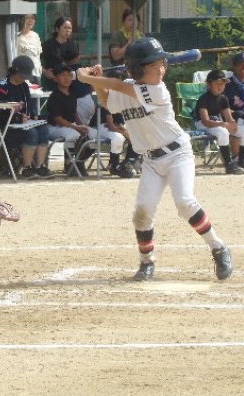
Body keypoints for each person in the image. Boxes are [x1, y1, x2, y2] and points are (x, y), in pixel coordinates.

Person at [77, 37, 233, 282]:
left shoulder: (157, 90)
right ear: (137, 70)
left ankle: (218, 247)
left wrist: (88, 79)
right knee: (142, 212)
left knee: (184, 202)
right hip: (151, 160)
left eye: (162, 64)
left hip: (177, 154)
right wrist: (97, 81)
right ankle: (146, 262)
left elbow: (118, 86)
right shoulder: (127, 87)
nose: (161, 70)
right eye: (154, 66)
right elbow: (109, 102)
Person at [0, 55, 52, 179]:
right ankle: (27, 167)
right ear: (14, 71)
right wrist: (17, 118)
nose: (24, 79)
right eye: (22, 75)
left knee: (43, 130)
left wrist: (33, 115)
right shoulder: (1, 87)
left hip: (23, 125)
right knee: (32, 133)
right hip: (6, 128)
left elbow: (29, 107)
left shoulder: (24, 86)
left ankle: (40, 166)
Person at [47, 63, 97, 177]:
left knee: (94, 135)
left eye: (69, 75)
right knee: (73, 134)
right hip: (55, 127)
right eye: (62, 75)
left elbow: (74, 114)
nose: (67, 78)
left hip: (71, 125)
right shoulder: (54, 96)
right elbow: (57, 119)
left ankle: (79, 162)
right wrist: (75, 127)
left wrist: (81, 126)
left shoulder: (72, 94)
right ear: (55, 78)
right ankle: (68, 164)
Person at [194, 70, 244, 174]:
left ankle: (242, 162)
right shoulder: (203, 99)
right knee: (223, 132)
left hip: (217, 123)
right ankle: (228, 164)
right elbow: (205, 121)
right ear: (209, 84)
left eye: (223, 83)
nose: (220, 86)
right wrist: (224, 124)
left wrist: (233, 124)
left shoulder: (223, 99)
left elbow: (229, 118)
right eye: (217, 83)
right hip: (203, 125)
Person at [90, 105, 137, 178]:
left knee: (135, 136)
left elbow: (119, 124)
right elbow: (111, 127)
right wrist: (125, 133)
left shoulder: (124, 104)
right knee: (118, 138)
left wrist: (127, 132)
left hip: (112, 127)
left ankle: (128, 162)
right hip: (97, 127)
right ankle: (114, 165)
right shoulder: (109, 103)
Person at [61, 39, 95, 126]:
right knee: (85, 128)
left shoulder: (63, 72)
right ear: (78, 56)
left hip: (78, 104)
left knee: (81, 130)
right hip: (89, 101)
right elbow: (92, 87)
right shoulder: (83, 69)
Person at [40, 16, 75, 91]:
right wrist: (45, 71)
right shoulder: (48, 45)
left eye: (70, 28)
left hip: (68, 81)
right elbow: (35, 60)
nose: (68, 30)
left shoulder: (72, 45)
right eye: (65, 28)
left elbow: (74, 61)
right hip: (53, 81)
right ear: (57, 29)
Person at [15, 14, 42, 84]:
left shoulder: (36, 36)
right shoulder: (16, 36)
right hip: (22, 73)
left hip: (35, 73)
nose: (30, 20)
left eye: (33, 18)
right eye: (27, 18)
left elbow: (38, 56)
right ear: (22, 19)